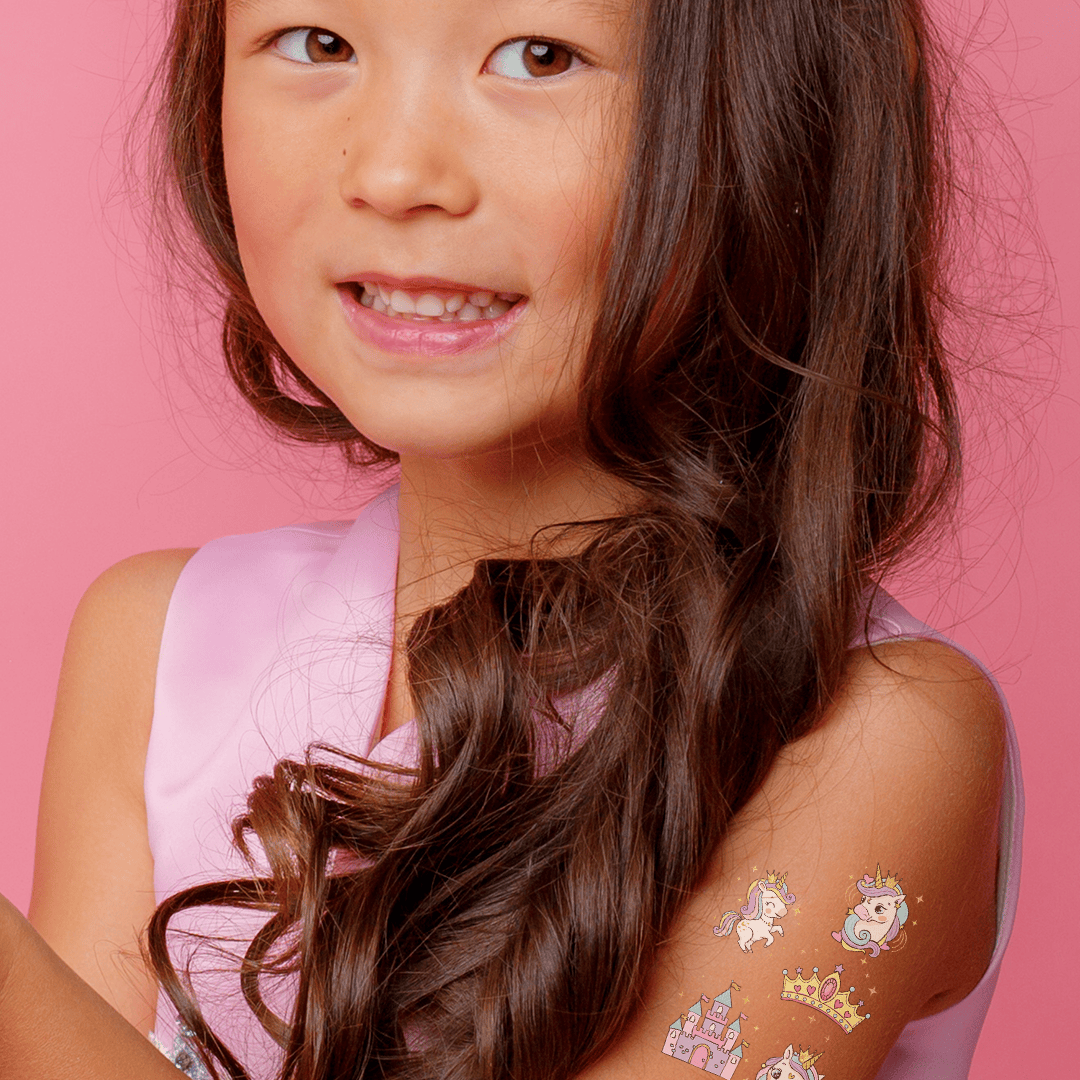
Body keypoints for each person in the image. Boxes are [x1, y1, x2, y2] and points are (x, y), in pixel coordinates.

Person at [0, 0, 1021, 1077]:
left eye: (539, 57)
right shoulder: (161, 652)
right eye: (318, 44)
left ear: (775, 111)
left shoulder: (872, 737)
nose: (395, 173)